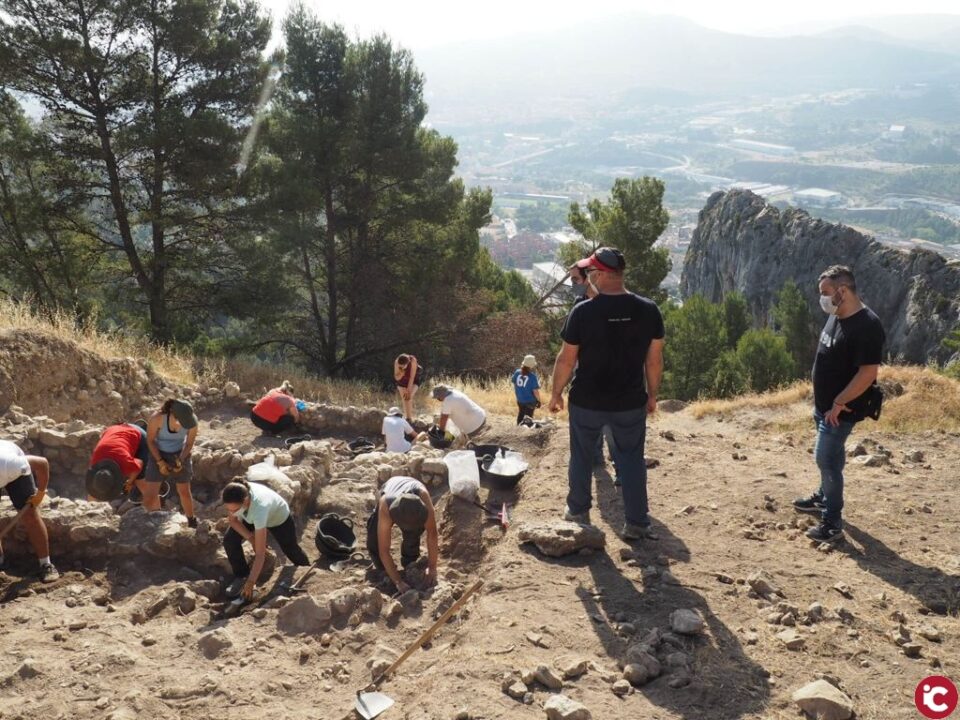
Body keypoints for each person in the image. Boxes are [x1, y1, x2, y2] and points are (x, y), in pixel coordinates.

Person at [549, 247, 665, 541]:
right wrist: (652, 395)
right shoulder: (649, 309)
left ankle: (577, 510)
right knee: (631, 458)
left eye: (590, 273)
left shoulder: (583, 312)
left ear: (600, 274)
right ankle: (637, 523)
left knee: (582, 455)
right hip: (629, 401)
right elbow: (654, 360)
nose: (588, 277)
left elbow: (566, 359)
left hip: (587, 400)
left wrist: (556, 393)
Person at [793, 265, 885, 544]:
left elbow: (868, 373)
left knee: (825, 458)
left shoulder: (867, 326)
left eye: (825, 293)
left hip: (840, 411)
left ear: (842, 291)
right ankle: (823, 495)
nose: (821, 299)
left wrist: (838, 402)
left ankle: (832, 522)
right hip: (824, 407)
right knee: (831, 459)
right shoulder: (837, 314)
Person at [221, 480, 311, 599]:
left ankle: (306, 570)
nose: (232, 513)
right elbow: (233, 521)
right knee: (230, 540)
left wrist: (251, 582)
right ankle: (242, 575)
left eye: (235, 510)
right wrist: (252, 539)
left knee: (290, 549)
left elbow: (260, 554)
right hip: (250, 516)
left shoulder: (260, 508)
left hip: (278, 518)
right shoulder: (234, 494)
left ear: (246, 500)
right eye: (229, 510)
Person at [365, 475, 439, 594]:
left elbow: (432, 534)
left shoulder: (424, 501)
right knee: (374, 542)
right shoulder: (386, 505)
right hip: (391, 488)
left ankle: (409, 563)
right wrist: (398, 582)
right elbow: (384, 550)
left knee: (413, 535)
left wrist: (432, 568)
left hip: (413, 490)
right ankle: (384, 569)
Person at [0, 440, 59, 582]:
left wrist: (40, 493)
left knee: (29, 515)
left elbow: (42, 463)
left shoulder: (12, 464)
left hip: (14, 474)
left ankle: (46, 564)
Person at [145, 399, 199, 528]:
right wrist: (160, 462)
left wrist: (180, 460)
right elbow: (150, 440)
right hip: (158, 452)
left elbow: (189, 444)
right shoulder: (157, 419)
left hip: (180, 453)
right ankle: (154, 520)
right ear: (172, 413)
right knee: (150, 495)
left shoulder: (192, 421)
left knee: (184, 491)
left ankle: (191, 520)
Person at [86, 423, 150, 501]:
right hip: (113, 430)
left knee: (140, 481)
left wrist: (129, 482)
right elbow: (92, 494)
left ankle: (153, 503)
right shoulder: (95, 465)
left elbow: (140, 463)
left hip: (137, 434)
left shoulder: (124, 464)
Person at [511, 355, 542, 425]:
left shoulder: (517, 372)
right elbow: (535, 391)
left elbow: (514, 382)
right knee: (528, 418)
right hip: (530, 401)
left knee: (521, 414)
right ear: (531, 366)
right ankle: (526, 432)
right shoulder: (532, 376)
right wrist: (539, 401)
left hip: (520, 399)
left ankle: (518, 428)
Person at [393, 354, 423, 423]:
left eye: (403, 365)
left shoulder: (412, 360)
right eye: (401, 365)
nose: (402, 367)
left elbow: (411, 377)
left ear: (407, 362)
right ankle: (408, 418)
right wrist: (402, 372)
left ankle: (409, 419)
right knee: (404, 399)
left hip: (413, 380)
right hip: (402, 382)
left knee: (409, 397)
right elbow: (396, 378)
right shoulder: (397, 362)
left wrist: (408, 391)